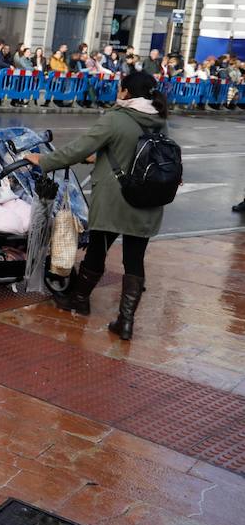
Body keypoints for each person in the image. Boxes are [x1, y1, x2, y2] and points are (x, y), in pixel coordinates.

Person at [25, 71, 168, 340]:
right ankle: (126, 322)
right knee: (135, 261)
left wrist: (44, 161)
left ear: (126, 92)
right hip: (148, 199)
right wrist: (101, 156)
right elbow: (142, 153)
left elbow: (78, 148)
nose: (118, 92)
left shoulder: (116, 118)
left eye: (120, 88)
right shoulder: (159, 119)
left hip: (117, 199)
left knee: (97, 252)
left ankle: (79, 300)